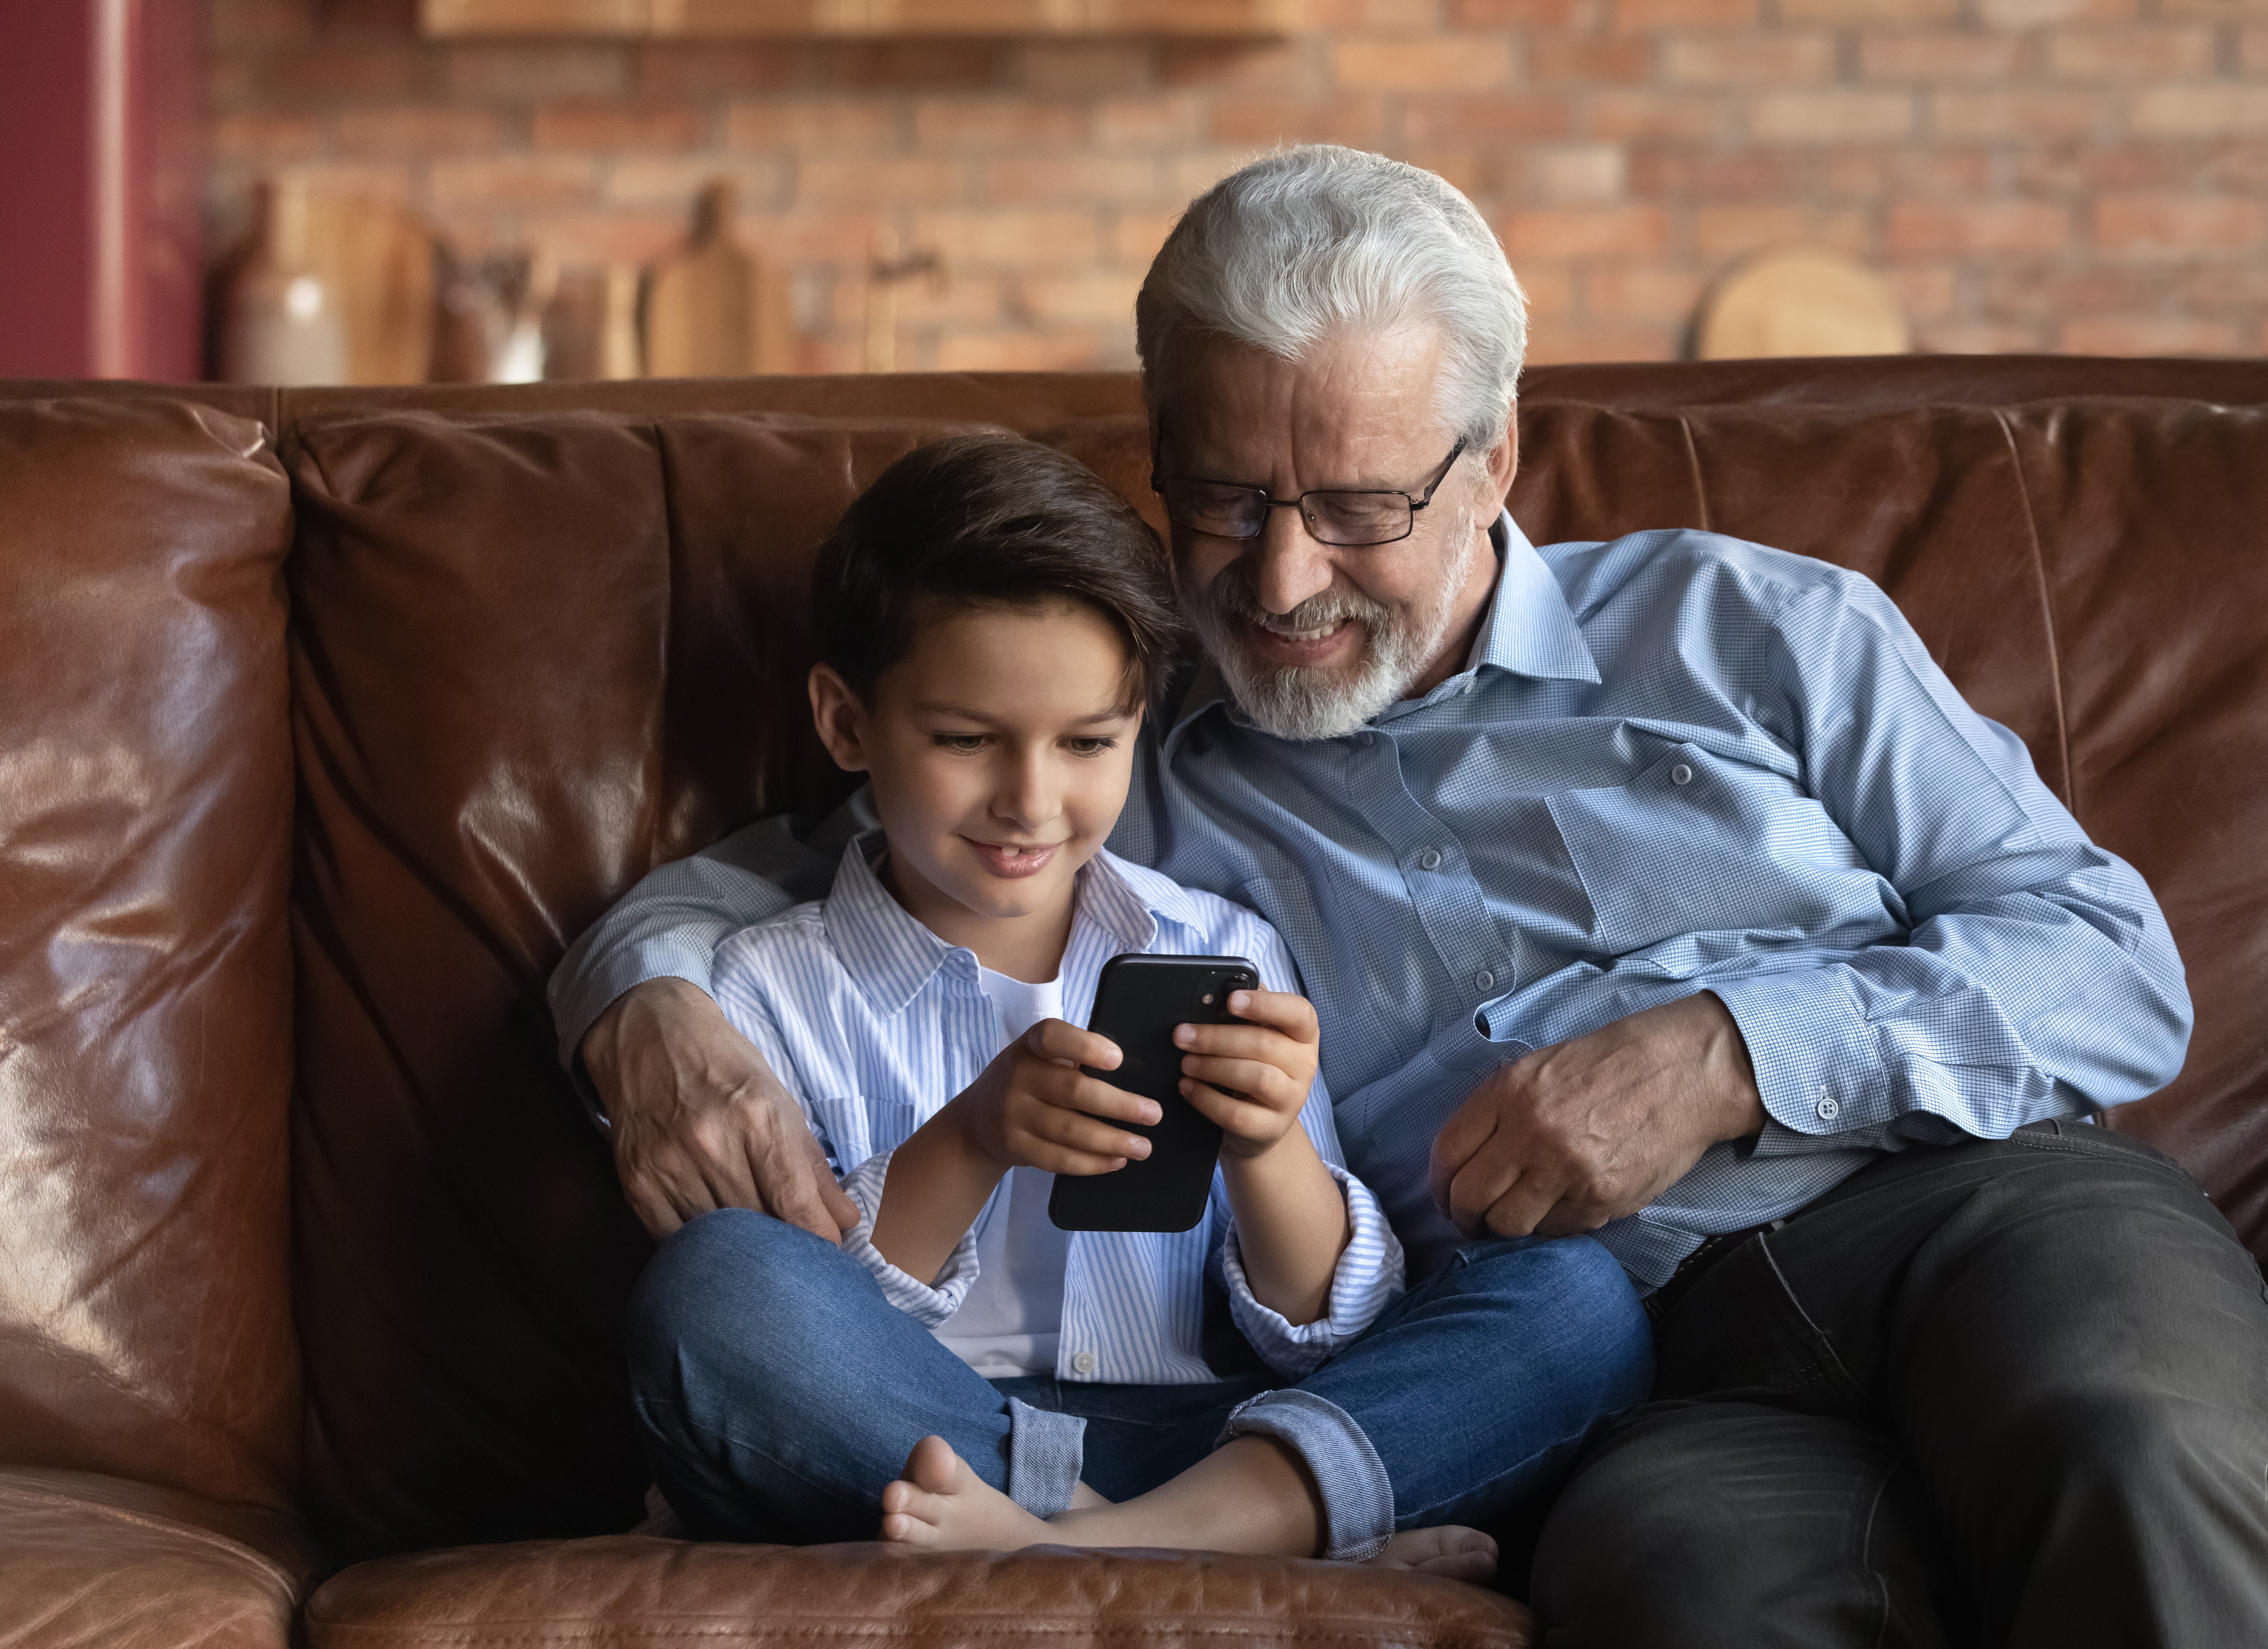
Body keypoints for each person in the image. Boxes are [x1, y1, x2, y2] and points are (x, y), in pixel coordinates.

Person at [553, 147, 2268, 1644]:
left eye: (1353, 504)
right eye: (1221, 497)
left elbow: (2109, 959)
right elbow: (803, 864)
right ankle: (1171, 1528)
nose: (1277, 577)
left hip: (1972, 1208)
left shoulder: (1752, 629)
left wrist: (1728, 1048)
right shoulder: (1124, 733)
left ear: (1494, 459)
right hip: (1643, 1361)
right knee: (1686, 1591)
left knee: (2115, 1436)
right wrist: (649, 1009)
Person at [626, 432, 1655, 1577]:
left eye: (1088, 744)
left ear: (1139, 726)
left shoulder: (1222, 947)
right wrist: (968, 1141)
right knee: (714, 1286)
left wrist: (1267, 1149)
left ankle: (1096, 1546)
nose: (1031, 799)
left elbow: (1329, 1324)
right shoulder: (765, 986)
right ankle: (1271, 1541)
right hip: (918, 1432)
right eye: (967, 742)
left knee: (1575, 1301)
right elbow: (806, 1313)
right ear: (847, 724)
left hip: (1203, 1437)